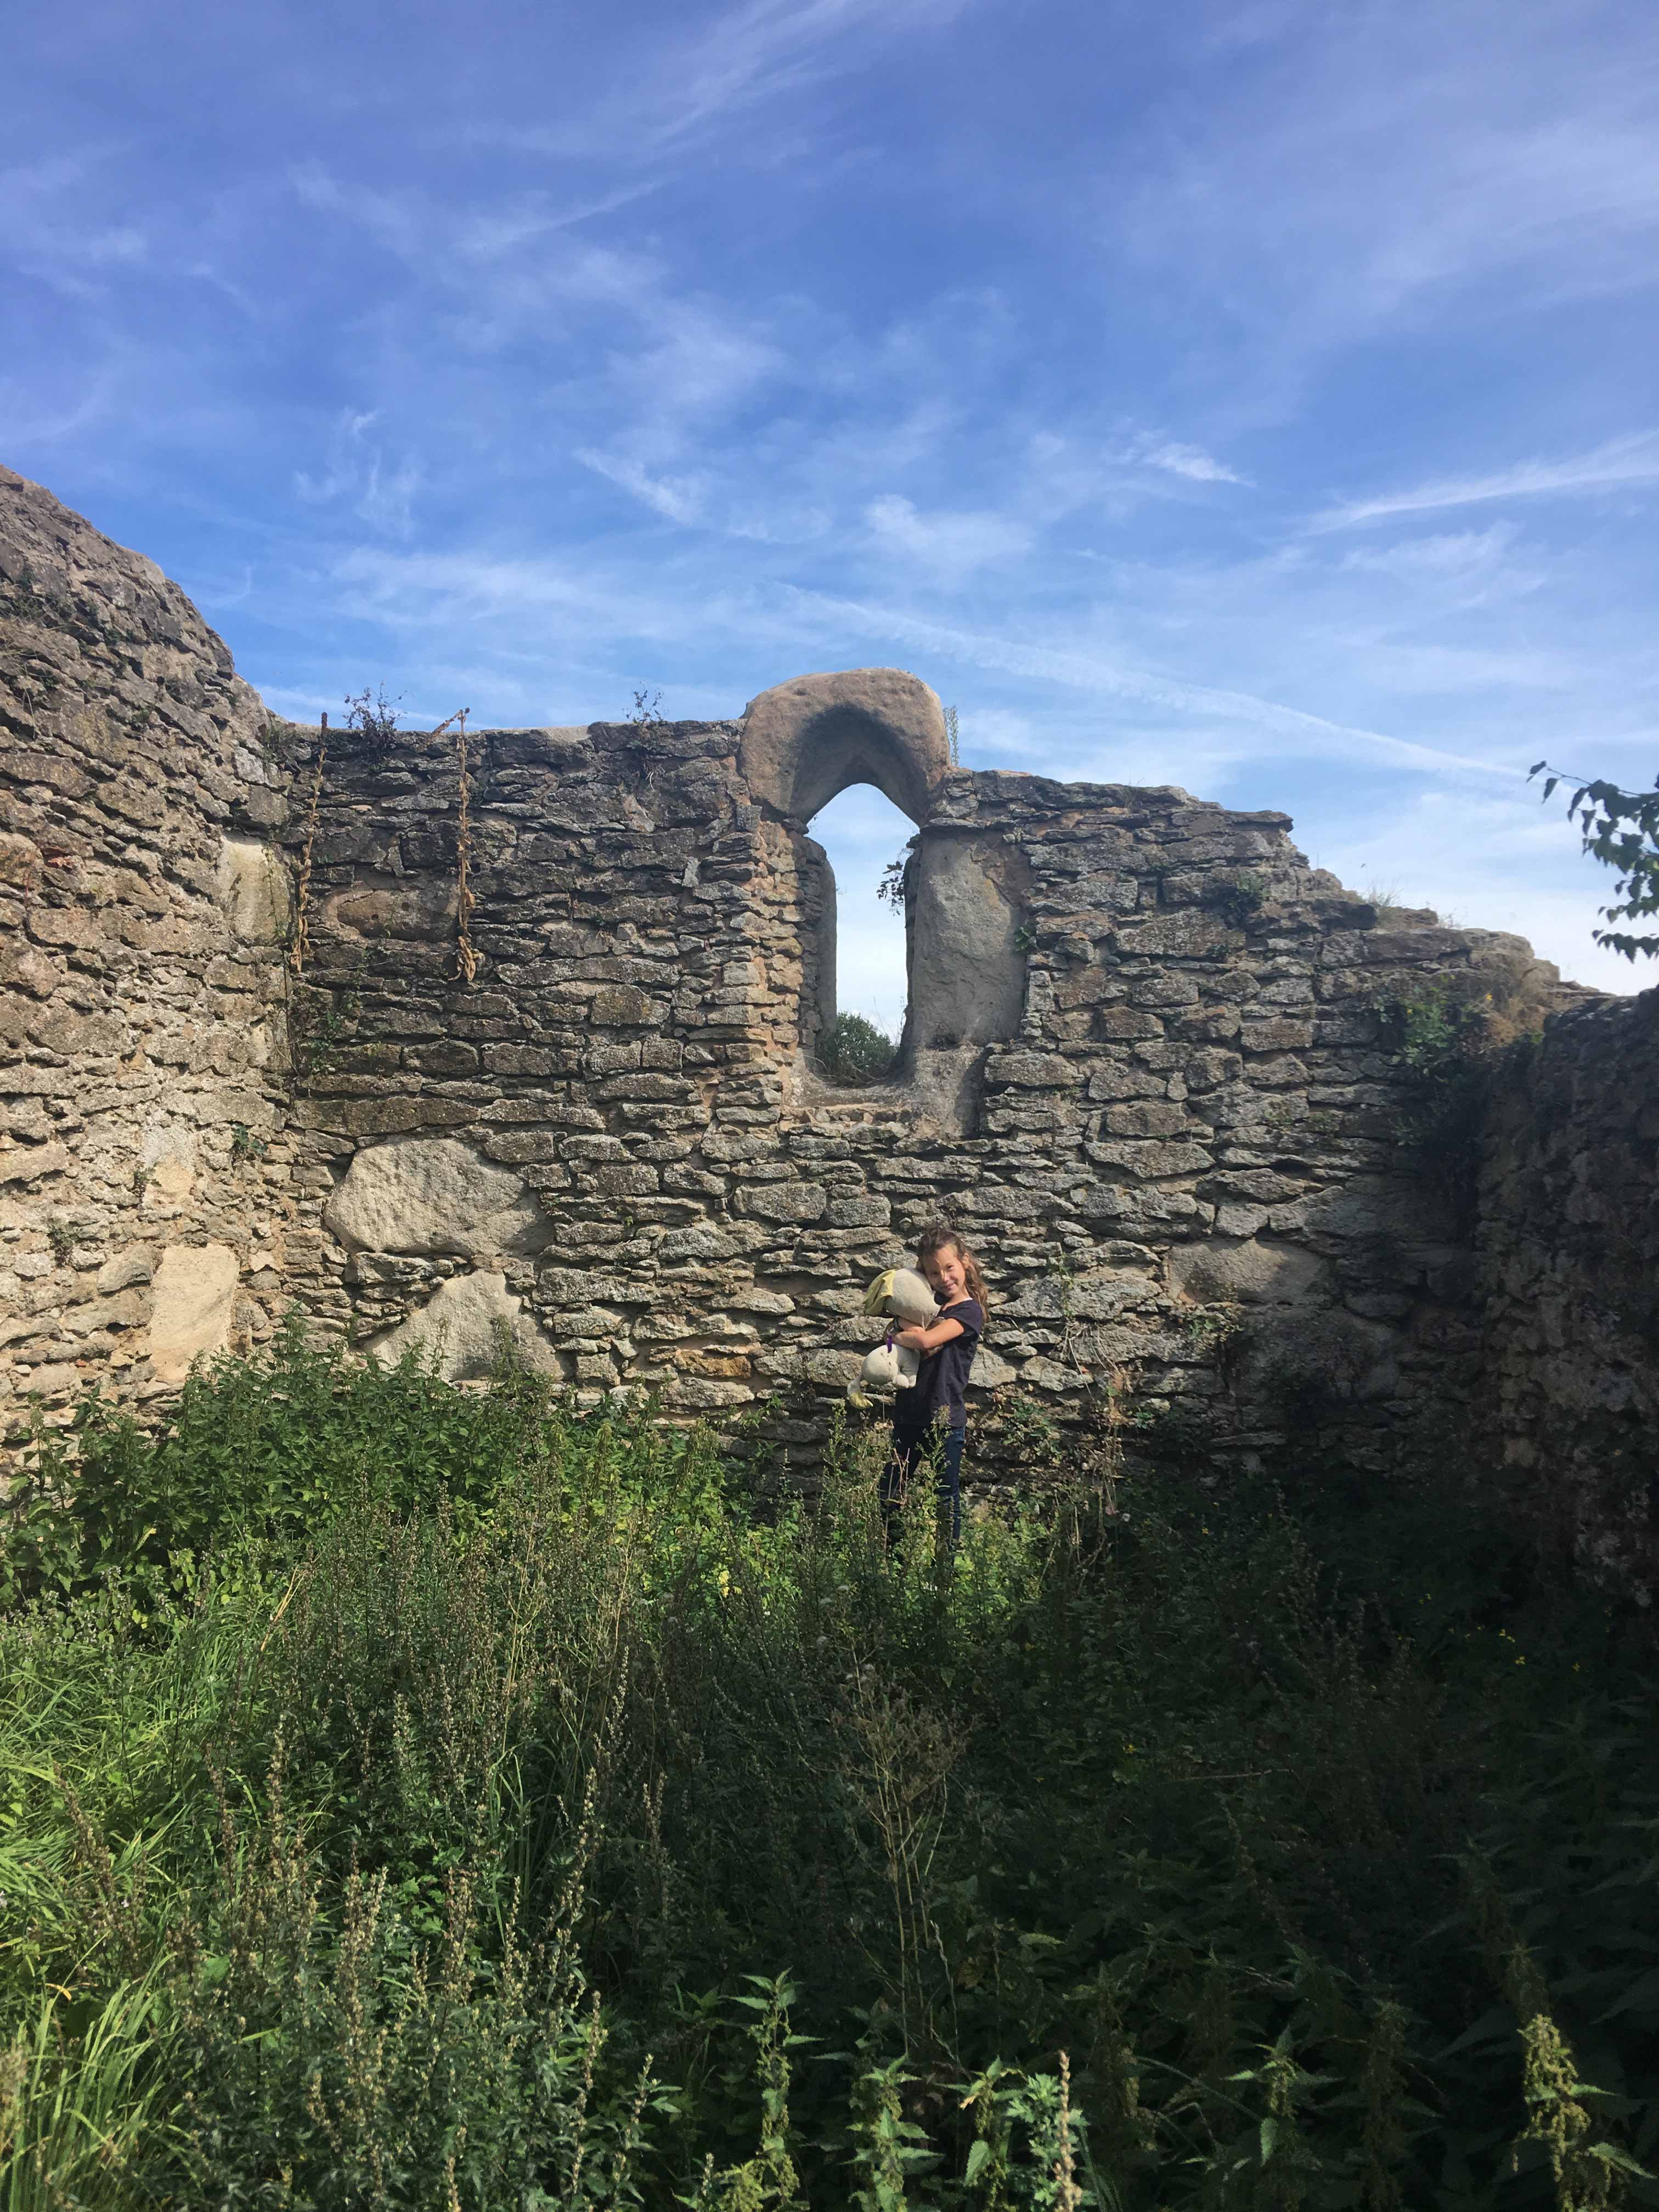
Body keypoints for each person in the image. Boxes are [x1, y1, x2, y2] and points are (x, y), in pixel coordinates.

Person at [882, 1223, 989, 1551]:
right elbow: (890, 1334)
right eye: (933, 1272)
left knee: (945, 1496)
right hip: (910, 1413)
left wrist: (899, 1334)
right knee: (890, 1490)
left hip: (944, 1417)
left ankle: (944, 1573)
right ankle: (895, 1562)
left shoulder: (970, 1311)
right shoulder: (928, 1305)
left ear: (965, 1263)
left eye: (949, 1268)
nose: (944, 1278)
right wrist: (897, 1333)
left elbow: (925, 1339)